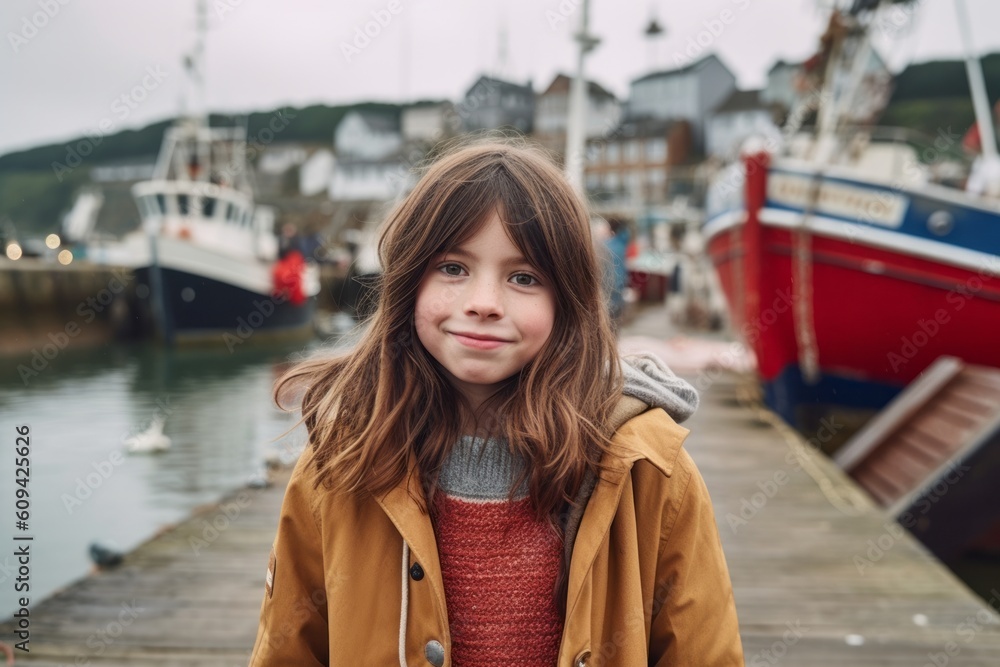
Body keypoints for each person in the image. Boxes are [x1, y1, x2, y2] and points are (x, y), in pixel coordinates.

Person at [248, 139, 744, 666]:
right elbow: (289, 647)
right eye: (453, 268)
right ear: (409, 282)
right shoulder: (340, 464)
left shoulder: (650, 472)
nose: (483, 303)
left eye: (523, 277)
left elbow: (702, 652)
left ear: (568, 302)